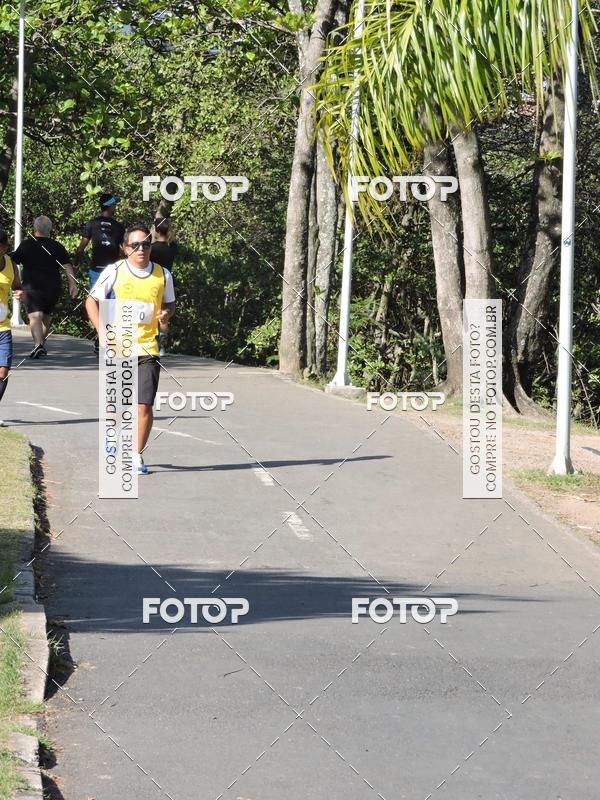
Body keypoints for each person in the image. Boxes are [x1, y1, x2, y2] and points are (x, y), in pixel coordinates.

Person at [85, 224, 176, 475]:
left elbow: (170, 303)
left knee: (144, 405)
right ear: (125, 249)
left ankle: (136, 455)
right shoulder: (114, 271)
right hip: (118, 345)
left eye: (145, 244)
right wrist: (102, 332)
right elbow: (91, 301)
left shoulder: (163, 275)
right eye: (134, 245)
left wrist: (165, 314)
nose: (141, 249)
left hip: (148, 347)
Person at [11, 216, 78, 358]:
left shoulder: (26, 245)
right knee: (45, 317)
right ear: (50, 230)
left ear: (35, 229)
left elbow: (12, 262)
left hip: (32, 285)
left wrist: (13, 283)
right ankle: (40, 345)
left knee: (36, 315)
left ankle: (38, 345)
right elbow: (67, 266)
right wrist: (73, 285)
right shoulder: (57, 246)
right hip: (53, 287)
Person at [74, 193, 125, 353]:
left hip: (96, 269)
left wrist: (76, 262)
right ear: (109, 206)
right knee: (110, 306)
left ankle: (100, 339)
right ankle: (102, 339)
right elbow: (124, 251)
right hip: (114, 271)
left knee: (96, 303)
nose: (115, 207)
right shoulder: (119, 226)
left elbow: (81, 247)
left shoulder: (91, 224)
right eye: (114, 204)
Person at [0, 230, 23, 426]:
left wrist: (18, 294)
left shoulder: (11, 265)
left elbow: (17, 286)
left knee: (3, 371)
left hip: (3, 327)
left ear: (5, 247)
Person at [150, 217, 177, 356]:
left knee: (152, 311)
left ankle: (151, 341)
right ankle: (161, 347)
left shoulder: (151, 249)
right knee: (164, 313)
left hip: (154, 279)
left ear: (156, 230)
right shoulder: (172, 247)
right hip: (168, 279)